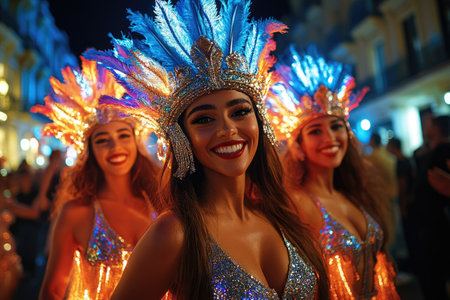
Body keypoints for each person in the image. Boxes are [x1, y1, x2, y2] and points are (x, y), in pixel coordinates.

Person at [87, 0, 329, 299]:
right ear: (181, 137)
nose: (227, 129)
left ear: (259, 121)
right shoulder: (174, 233)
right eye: (203, 119)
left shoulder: (282, 214)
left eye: (239, 112)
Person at [266, 45, 400, 299]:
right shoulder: (297, 203)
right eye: (315, 131)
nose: (330, 138)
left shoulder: (355, 193)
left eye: (336, 126)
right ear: (298, 148)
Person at [31, 58, 160, 300]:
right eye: (102, 140)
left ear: (136, 142)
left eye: (123, 135)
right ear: (90, 151)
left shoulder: (162, 202)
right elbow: (53, 290)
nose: (116, 147)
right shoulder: (76, 212)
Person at [412, 115, 450, 299]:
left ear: (436, 128)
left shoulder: (445, 151)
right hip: (429, 227)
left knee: (435, 279)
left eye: (428, 123)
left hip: (439, 227)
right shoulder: (428, 151)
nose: (424, 126)